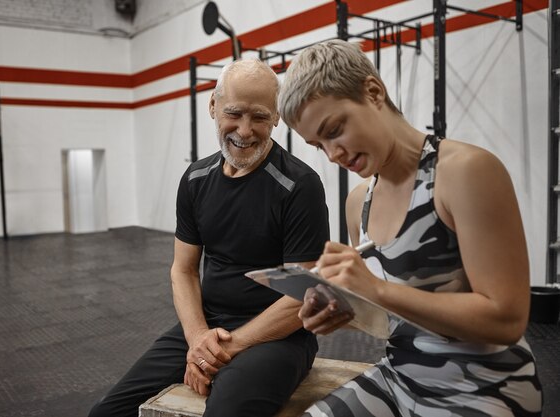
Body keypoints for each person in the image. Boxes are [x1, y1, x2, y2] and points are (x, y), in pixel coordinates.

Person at [277, 39, 542, 417]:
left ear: (373, 92)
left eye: (334, 130)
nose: (333, 154)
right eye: (318, 145)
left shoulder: (465, 172)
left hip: (485, 386)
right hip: (400, 376)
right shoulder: (359, 204)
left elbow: (507, 319)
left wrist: (377, 290)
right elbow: (393, 317)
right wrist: (345, 313)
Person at [88, 58, 330, 417]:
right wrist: (199, 339)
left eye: (260, 117)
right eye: (234, 113)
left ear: (277, 117)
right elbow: (183, 270)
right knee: (107, 413)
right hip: (208, 325)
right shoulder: (195, 179)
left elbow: (302, 296)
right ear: (213, 106)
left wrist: (222, 350)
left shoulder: (299, 186)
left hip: (278, 335)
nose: (245, 131)